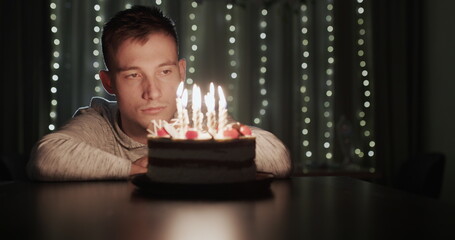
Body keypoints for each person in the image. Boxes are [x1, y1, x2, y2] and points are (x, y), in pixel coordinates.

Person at [26, 5, 292, 181]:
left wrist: (183, 156)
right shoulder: (100, 121)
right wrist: (130, 169)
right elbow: (45, 156)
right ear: (109, 83)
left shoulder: (198, 121)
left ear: (181, 72)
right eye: (133, 75)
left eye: (164, 72)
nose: (151, 92)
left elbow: (277, 157)